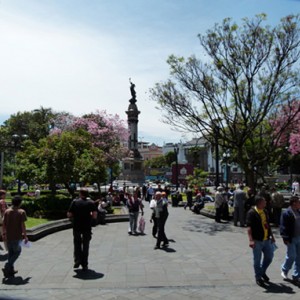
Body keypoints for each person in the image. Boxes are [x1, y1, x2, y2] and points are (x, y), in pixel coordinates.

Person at [246, 195, 275, 286]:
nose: (266, 203)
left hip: (267, 239)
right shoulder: (252, 212)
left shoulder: (265, 211)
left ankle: (262, 271)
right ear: (259, 203)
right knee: (257, 260)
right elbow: (249, 227)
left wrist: (272, 236)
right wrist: (251, 240)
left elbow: (267, 225)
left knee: (269, 256)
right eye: (264, 201)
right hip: (257, 240)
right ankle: (258, 277)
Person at [67, 189, 97, 271]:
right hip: (87, 226)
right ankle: (85, 264)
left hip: (77, 226)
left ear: (80, 194)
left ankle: (77, 259)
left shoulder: (75, 202)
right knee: (86, 244)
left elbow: (69, 214)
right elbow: (94, 215)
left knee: (77, 243)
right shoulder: (91, 202)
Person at [2, 195, 28, 278]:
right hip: (17, 236)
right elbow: (22, 225)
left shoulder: (7, 211)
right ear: (19, 203)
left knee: (11, 253)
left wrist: (4, 234)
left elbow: (4, 224)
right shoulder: (21, 212)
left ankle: (10, 270)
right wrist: (25, 235)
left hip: (9, 235)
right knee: (17, 252)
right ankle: (7, 266)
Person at [280, 196, 300, 282]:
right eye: (298, 202)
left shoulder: (298, 211)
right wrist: (285, 238)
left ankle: (296, 275)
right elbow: (283, 226)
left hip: (299, 237)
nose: (299, 204)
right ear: (294, 203)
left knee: (299, 257)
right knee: (291, 255)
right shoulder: (287, 213)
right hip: (291, 238)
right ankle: (284, 269)